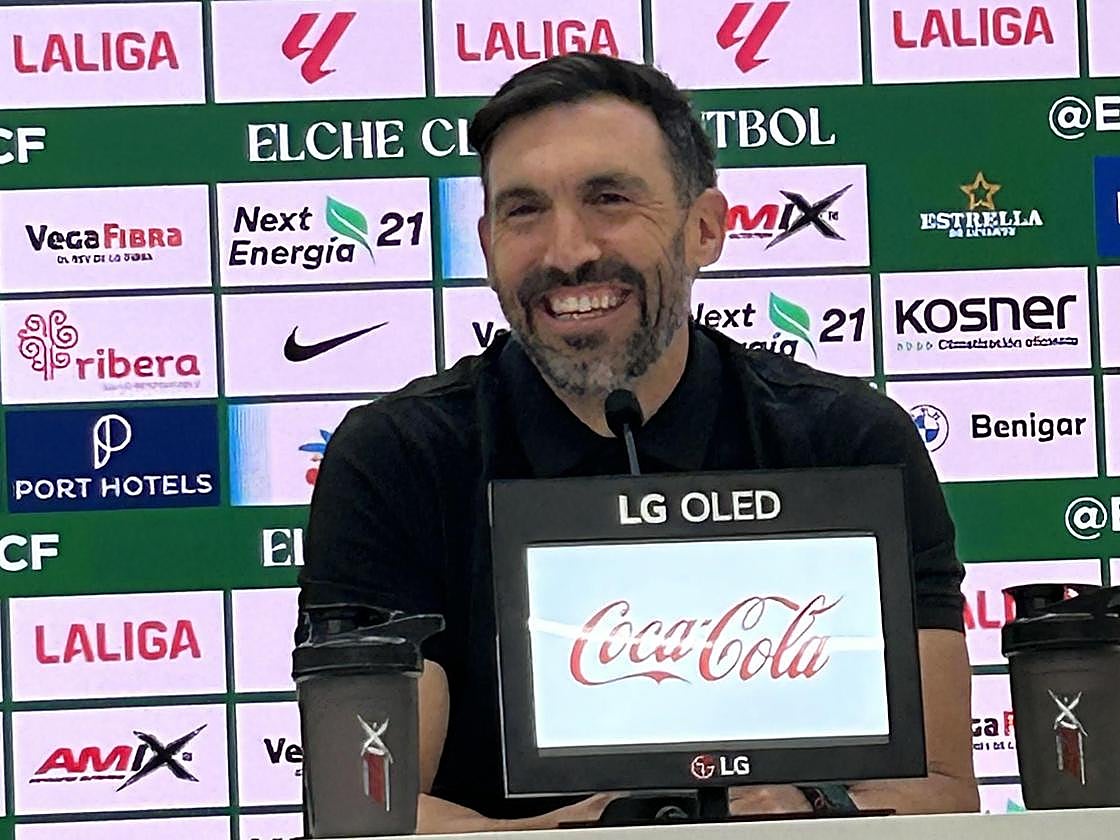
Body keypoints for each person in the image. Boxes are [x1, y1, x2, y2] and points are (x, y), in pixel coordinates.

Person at [299, 53, 979, 833]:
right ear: (486, 246)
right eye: (524, 211)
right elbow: (365, 813)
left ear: (705, 229)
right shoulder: (396, 458)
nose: (567, 251)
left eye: (609, 199)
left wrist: (800, 807)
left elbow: (943, 789)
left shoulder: (848, 441)